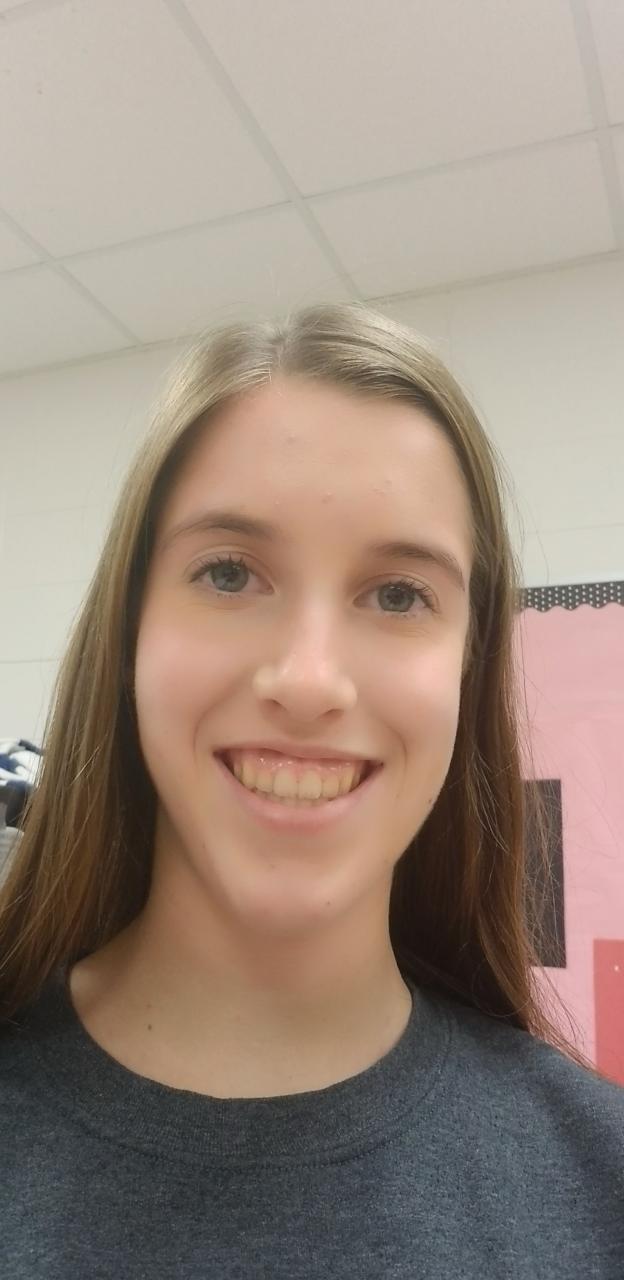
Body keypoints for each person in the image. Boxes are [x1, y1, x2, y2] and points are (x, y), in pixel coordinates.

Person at [1, 303, 622, 1278]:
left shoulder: (598, 1180)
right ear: (128, 634)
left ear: (468, 668)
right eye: (228, 573)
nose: (309, 679)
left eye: (399, 593)